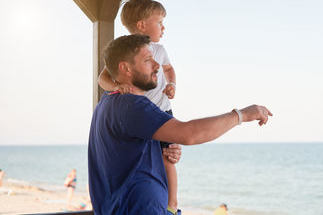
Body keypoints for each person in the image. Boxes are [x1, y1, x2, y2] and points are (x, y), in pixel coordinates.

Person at [88, 34, 273, 214]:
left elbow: (129, 158)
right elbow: (189, 134)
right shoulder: (131, 105)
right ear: (125, 69)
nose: (157, 65)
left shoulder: (108, 102)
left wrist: (161, 154)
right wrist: (242, 115)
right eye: (147, 60)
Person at [98, 0, 180, 214]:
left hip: (161, 110)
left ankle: (173, 203)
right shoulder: (124, 50)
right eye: (160, 22)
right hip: (141, 114)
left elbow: (169, 70)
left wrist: (171, 83)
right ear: (142, 25)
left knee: (169, 156)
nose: (163, 27)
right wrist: (117, 87)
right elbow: (103, 78)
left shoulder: (159, 50)